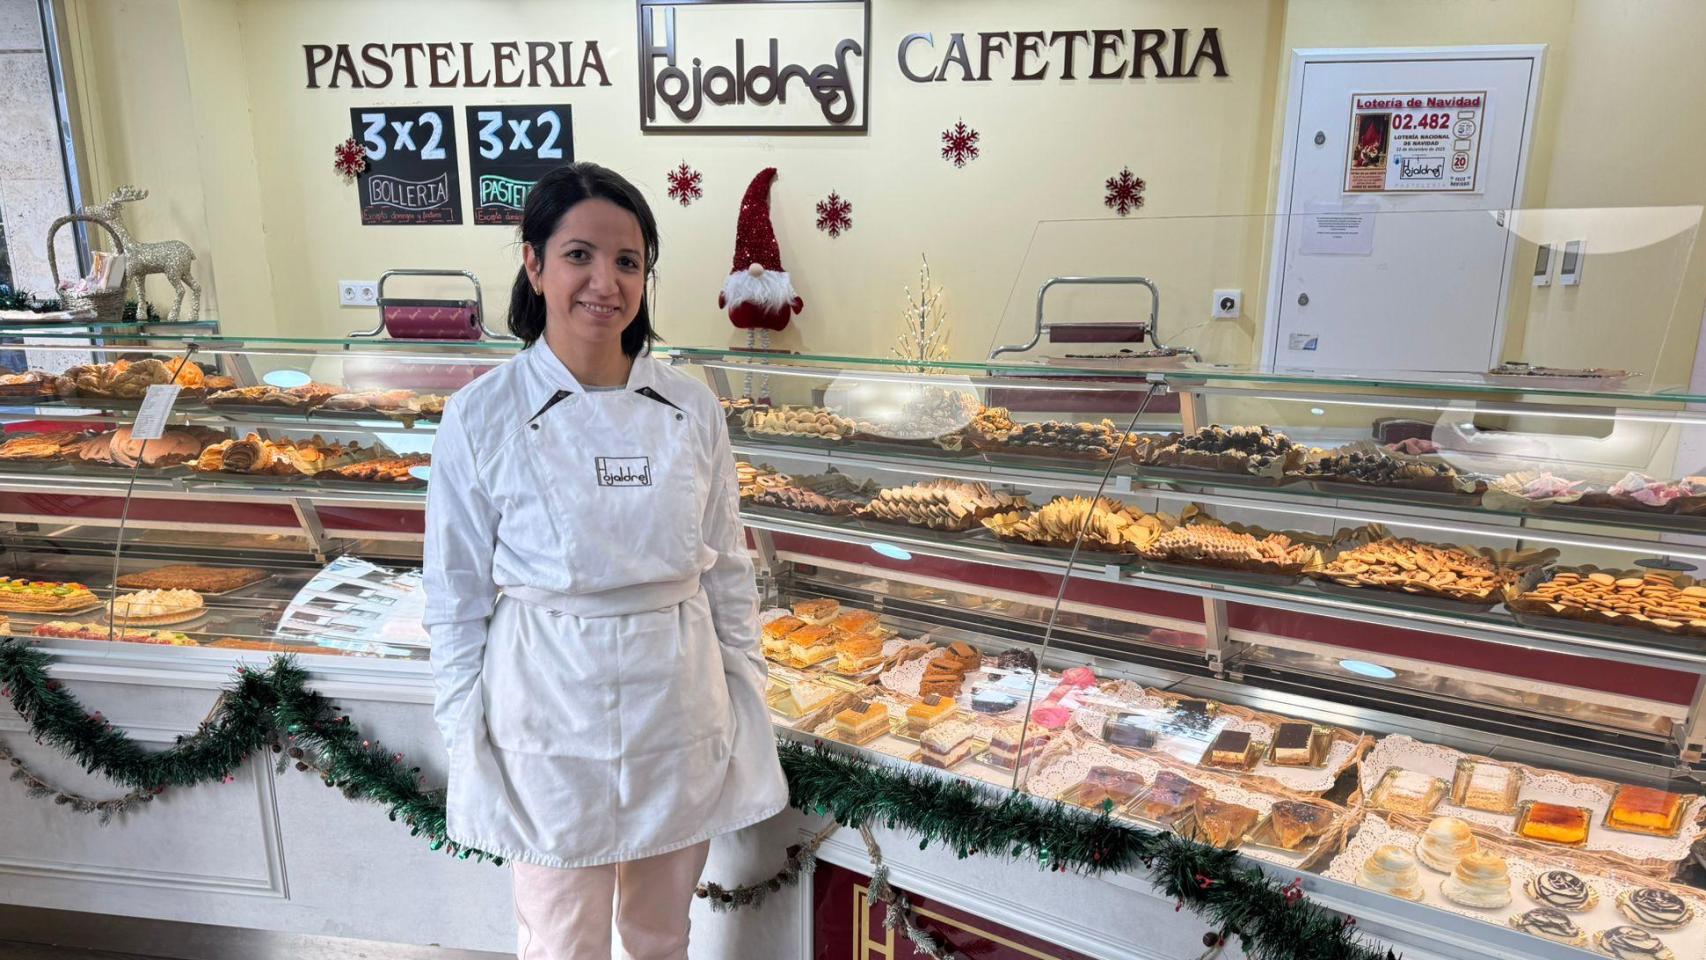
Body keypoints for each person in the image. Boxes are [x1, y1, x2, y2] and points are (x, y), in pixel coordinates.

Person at [423, 162, 788, 960]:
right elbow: (453, 598)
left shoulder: (692, 408)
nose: (605, 282)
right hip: (547, 712)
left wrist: (743, 694)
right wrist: (465, 735)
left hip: (678, 705)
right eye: (580, 254)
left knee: (660, 934)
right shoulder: (480, 415)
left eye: (628, 262)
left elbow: (726, 568)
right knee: (561, 938)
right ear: (534, 262)